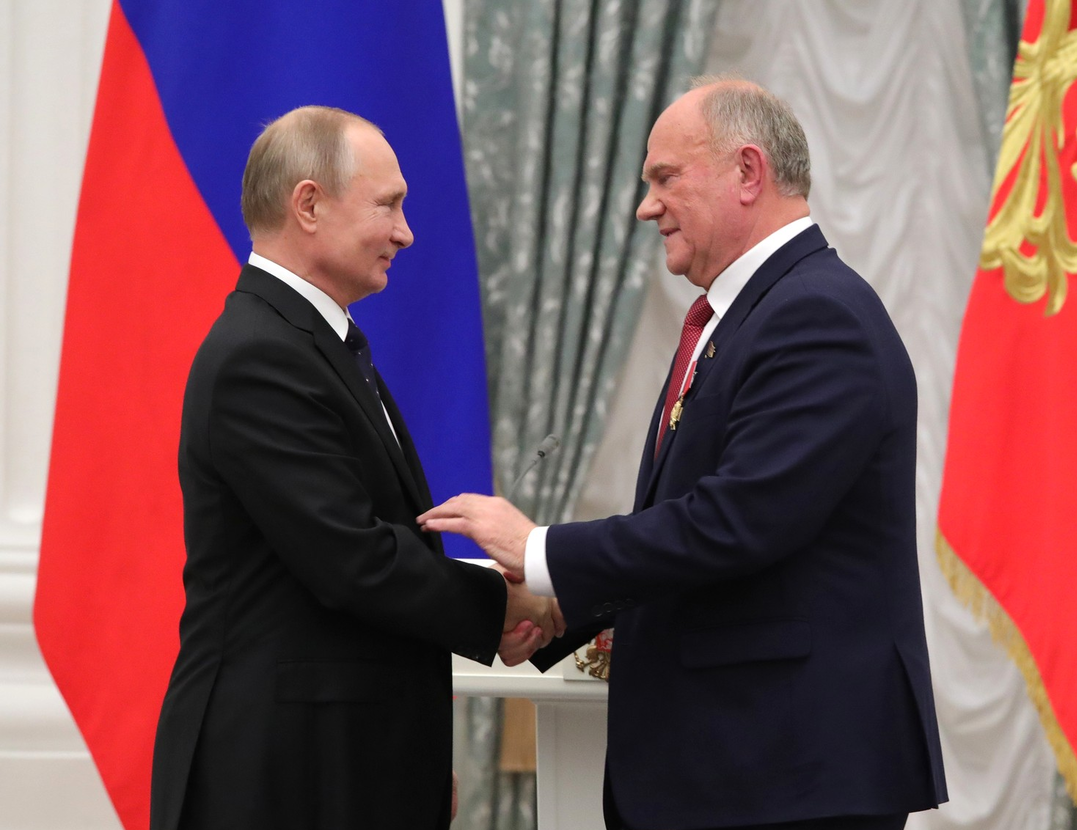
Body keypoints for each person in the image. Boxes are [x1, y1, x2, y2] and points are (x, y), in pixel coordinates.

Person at [419, 80, 949, 830]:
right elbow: (703, 538)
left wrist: (538, 550)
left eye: (665, 178)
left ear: (747, 172)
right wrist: (561, 607)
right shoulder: (747, 315)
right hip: (747, 767)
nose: (646, 206)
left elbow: (735, 524)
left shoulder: (815, 316)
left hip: (789, 775)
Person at [149, 106, 560, 830]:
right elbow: (353, 560)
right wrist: (505, 604)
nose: (406, 232)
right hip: (283, 776)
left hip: (341, 759)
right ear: (308, 205)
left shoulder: (315, 343)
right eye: (388, 205)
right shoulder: (261, 356)